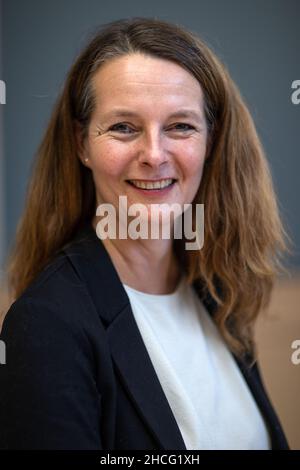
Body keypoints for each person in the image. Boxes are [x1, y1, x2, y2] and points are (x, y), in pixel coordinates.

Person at [0, 17, 290, 450]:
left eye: (180, 126)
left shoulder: (217, 291)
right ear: (82, 144)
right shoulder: (47, 327)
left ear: (211, 142)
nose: (154, 155)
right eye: (123, 127)